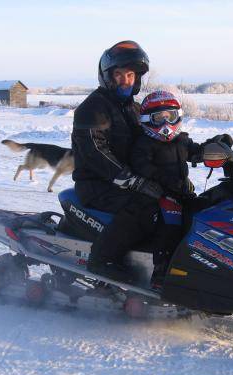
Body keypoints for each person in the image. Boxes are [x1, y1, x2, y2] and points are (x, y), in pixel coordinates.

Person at [71, 40, 162, 283]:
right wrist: (134, 182)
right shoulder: (93, 109)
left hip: (123, 181)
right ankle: (102, 260)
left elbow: (156, 137)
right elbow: (96, 153)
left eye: (130, 74)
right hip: (97, 184)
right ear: (107, 76)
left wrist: (198, 151)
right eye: (119, 74)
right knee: (145, 208)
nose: (125, 80)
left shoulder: (133, 108)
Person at [130, 90, 233, 287]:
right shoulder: (144, 143)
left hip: (180, 192)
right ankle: (161, 271)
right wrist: (164, 179)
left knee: (203, 216)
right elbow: (140, 165)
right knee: (171, 223)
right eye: (159, 118)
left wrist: (219, 147)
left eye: (171, 116)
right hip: (157, 193)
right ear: (147, 120)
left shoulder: (181, 140)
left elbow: (196, 152)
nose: (166, 124)